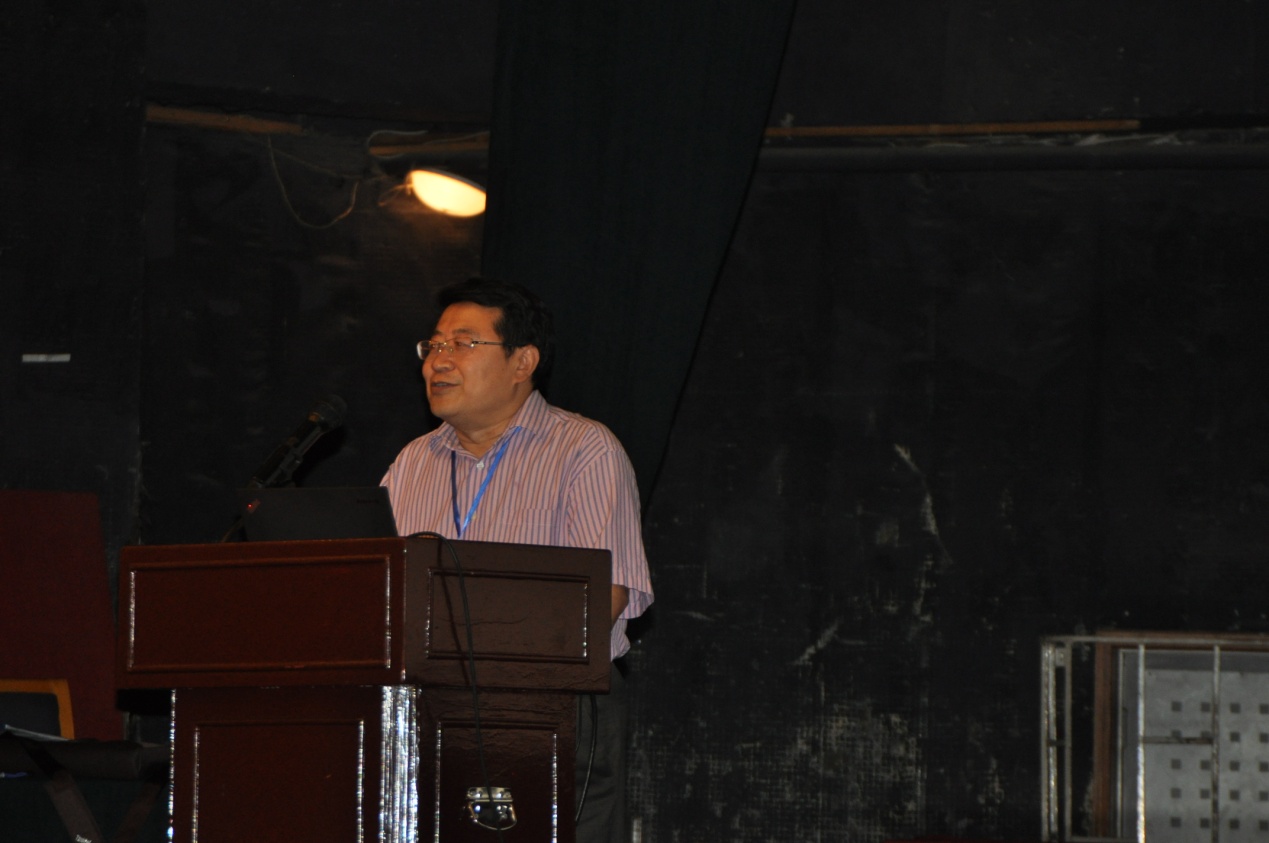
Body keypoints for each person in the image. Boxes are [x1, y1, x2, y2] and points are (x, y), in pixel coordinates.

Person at [381, 276, 654, 843]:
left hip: (550, 710)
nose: (438, 361)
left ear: (522, 361)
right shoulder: (413, 463)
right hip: (429, 713)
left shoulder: (584, 450)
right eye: (433, 345)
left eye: (463, 343)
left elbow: (604, 596)